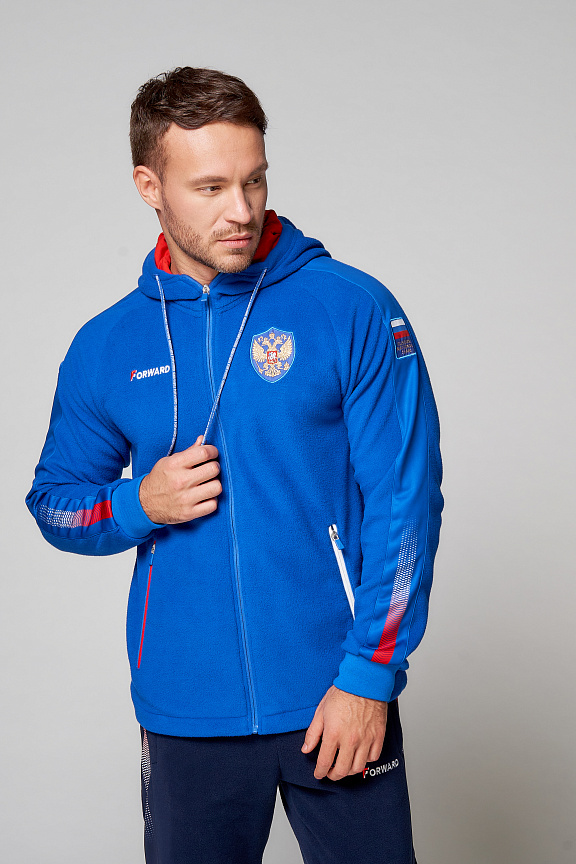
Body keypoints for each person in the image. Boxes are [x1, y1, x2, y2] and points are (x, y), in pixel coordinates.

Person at [26, 66, 443, 864]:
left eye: (254, 180)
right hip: (185, 710)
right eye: (211, 187)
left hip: (336, 693)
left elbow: (407, 502)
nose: (241, 210)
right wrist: (137, 504)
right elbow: (54, 502)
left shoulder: (349, 307)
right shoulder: (106, 345)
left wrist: (370, 675)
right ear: (149, 186)